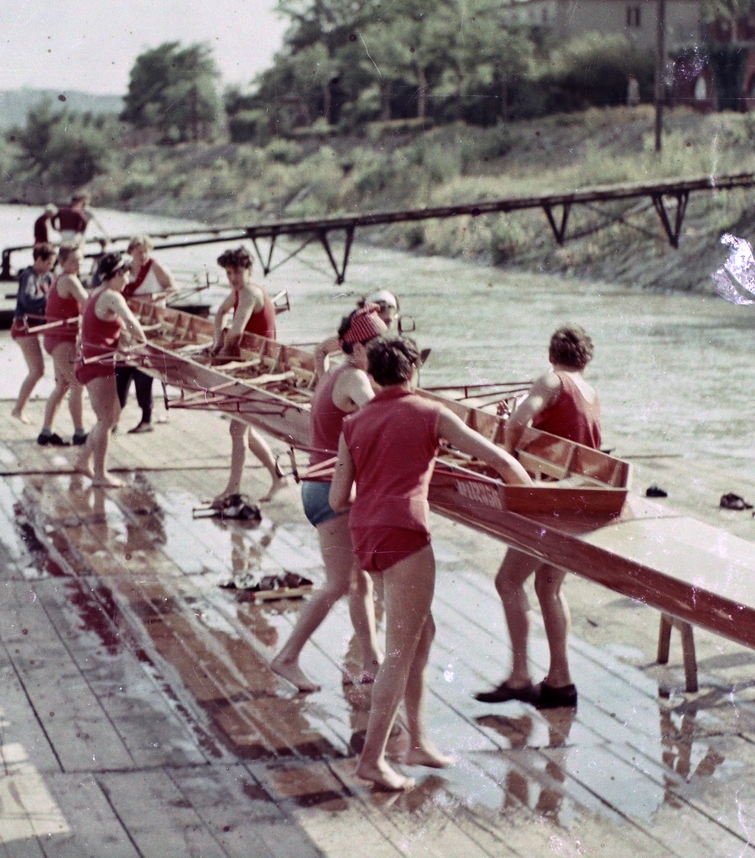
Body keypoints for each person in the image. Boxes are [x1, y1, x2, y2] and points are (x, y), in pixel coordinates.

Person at [330, 336, 534, 792]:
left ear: (375, 376)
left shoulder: (354, 422)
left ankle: (418, 742)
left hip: (366, 535)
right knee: (399, 653)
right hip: (405, 534)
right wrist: (532, 500)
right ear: (412, 373)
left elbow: (337, 497)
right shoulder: (431, 413)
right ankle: (372, 761)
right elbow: (499, 460)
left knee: (422, 633)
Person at [475, 325, 603, 710]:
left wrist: (508, 462)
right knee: (548, 586)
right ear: (587, 359)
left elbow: (518, 422)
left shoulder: (551, 380)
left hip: (553, 500)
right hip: (582, 501)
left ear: (552, 356)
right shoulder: (590, 391)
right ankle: (560, 682)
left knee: (508, 580)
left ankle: (520, 676)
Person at [267, 307, 388, 694]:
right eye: (377, 346)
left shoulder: (337, 371)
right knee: (338, 583)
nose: (384, 352)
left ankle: (372, 662)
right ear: (355, 348)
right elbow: (382, 418)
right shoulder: (353, 378)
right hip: (330, 491)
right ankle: (286, 657)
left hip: (323, 485)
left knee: (358, 584)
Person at [210, 246, 291, 502]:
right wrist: (215, 341)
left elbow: (235, 332)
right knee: (244, 428)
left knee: (238, 428)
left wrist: (219, 352)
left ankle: (232, 489)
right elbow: (220, 313)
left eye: (237, 272)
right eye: (229, 272)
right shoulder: (239, 291)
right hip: (250, 362)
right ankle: (279, 477)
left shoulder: (248, 293)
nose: (233, 277)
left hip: (261, 366)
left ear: (249, 270)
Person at [74, 252, 148, 487]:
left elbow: (102, 327)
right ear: (116, 274)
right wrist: (145, 341)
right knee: (106, 419)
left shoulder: (95, 293)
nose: (128, 280)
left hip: (91, 361)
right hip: (97, 364)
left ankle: (84, 461)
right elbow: (131, 323)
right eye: (126, 274)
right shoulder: (112, 296)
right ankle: (100, 474)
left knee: (113, 414)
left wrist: (124, 339)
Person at [118, 235, 177, 434]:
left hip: (151, 325)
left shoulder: (154, 267)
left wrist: (154, 298)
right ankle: (114, 418)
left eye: (146, 251)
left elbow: (173, 288)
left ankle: (146, 419)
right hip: (128, 324)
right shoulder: (125, 270)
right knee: (122, 369)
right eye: (139, 251)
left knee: (144, 371)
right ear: (131, 252)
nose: (143, 255)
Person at [38, 243, 89, 447]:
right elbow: (89, 303)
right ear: (62, 262)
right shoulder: (69, 280)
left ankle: (46, 431)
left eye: (81, 259)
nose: (79, 264)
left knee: (62, 385)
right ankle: (79, 433)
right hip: (61, 340)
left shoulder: (61, 277)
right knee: (77, 384)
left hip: (53, 338)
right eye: (74, 261)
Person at [9, 243, 56, 423]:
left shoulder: (48, 276)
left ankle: (19, 408)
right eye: (48, 262)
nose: (51, 266)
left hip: (38, 327)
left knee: (37, 370)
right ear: (38, 259)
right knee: (37, 370)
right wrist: (48, 300)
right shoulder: (28, 276)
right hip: (23, 327)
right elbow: (27, 300)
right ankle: (18, 409)